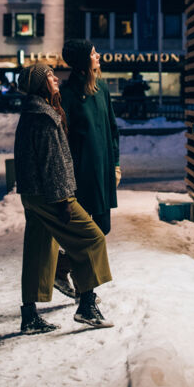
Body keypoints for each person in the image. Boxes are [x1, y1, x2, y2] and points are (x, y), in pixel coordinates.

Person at [14, 62, 114, 333]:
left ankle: (30, 316)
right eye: (49, 75)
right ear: (38, 83)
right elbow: (51, 163)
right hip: (50, 194)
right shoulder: (44, 115)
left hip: (34, 193)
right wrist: (62, 200)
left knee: (39, 249)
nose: (55, 78)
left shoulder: (33, 112)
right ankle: (87, 305)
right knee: (91, 238)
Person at [56, 39, 120, 297]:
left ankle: (61, 268)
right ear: (84, 60)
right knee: (87, 233)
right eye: (94, 53)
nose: (98, 55)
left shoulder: (102, 88)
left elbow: (112, 129)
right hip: (81, 173)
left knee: (102, 227)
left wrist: (115, 163)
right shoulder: (67, 93)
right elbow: (63, 137)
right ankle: (86, 294)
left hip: (103, 170)